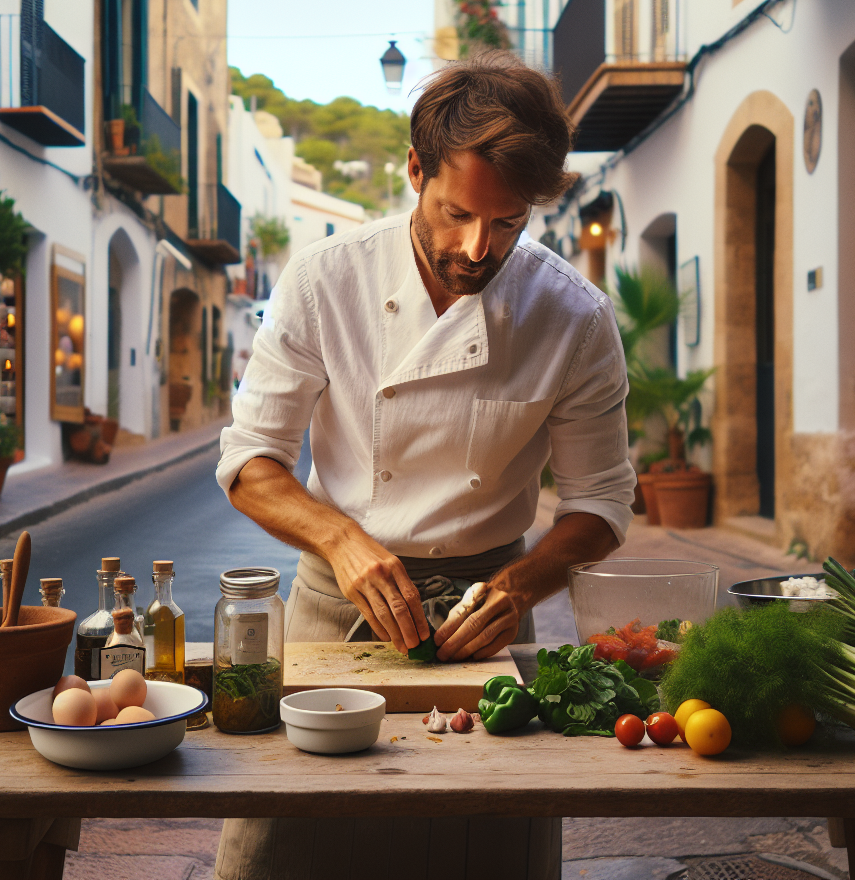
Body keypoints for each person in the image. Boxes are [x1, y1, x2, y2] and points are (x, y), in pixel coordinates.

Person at [214, 50, 636, 880]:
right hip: (335, 614)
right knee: (281, 855)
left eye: (508, 224)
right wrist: (341, 540)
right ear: (415, 170)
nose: (479, 247)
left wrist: (518, 588)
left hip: (486, 625)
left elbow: (600, 504)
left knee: (486, 855)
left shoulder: (574, 318)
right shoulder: (325, 280)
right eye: (457, 213)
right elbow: (250, 461)